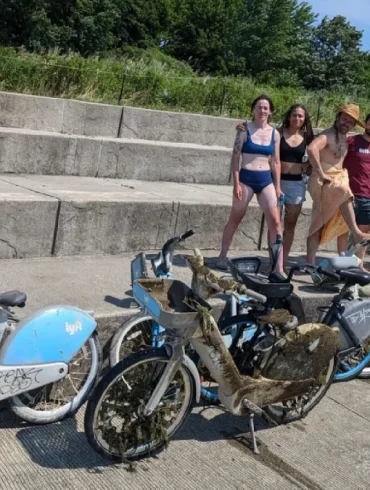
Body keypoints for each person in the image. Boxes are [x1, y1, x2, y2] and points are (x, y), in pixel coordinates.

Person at [236, 104, 315, 269]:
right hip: (275, 182)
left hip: (296, 184)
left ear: (305, 119)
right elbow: (260, 130)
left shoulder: (308, 136)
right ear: (289, 116)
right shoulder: (277, 132)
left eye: (301, 116)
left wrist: (307, 165)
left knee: (290, 224)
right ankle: (274, 262)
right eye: (294, 115)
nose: (297, 119)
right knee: (274, 222)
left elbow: (317, 154)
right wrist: (242, 126)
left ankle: (283, 262)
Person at [217, 94, 284, 275]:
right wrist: (236, 183)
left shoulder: (275, 133)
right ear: (253, 109)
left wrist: (277, 186)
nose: (262, 111)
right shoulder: (244, 130)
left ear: (270, 111)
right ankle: (222, 256)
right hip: (246, 178)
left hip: (265, 180)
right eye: (259, 107)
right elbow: (236, 157)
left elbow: (276, 161)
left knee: (276, 222)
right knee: (235, 218)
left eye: (265, 108)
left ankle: (277, 266)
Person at [306, 104, 370, 265]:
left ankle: (344, 261)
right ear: (338, 117)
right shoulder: (327, 135)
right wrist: (320, 172)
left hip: (338, 181)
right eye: (344, 118)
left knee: (341, 224)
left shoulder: (346, 139)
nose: (346, 123)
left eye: (350, 121)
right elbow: (312, 148)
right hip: (325, 181)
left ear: (354, 125)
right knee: (342, 191)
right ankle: (310, 263)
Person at [338, 113, 370, 267]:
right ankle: (342, 263)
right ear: (365, 124)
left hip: (368, 196)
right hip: (348, 193)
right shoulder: (352, 141)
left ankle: (359, 265)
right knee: (343, 230)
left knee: (364, 231)